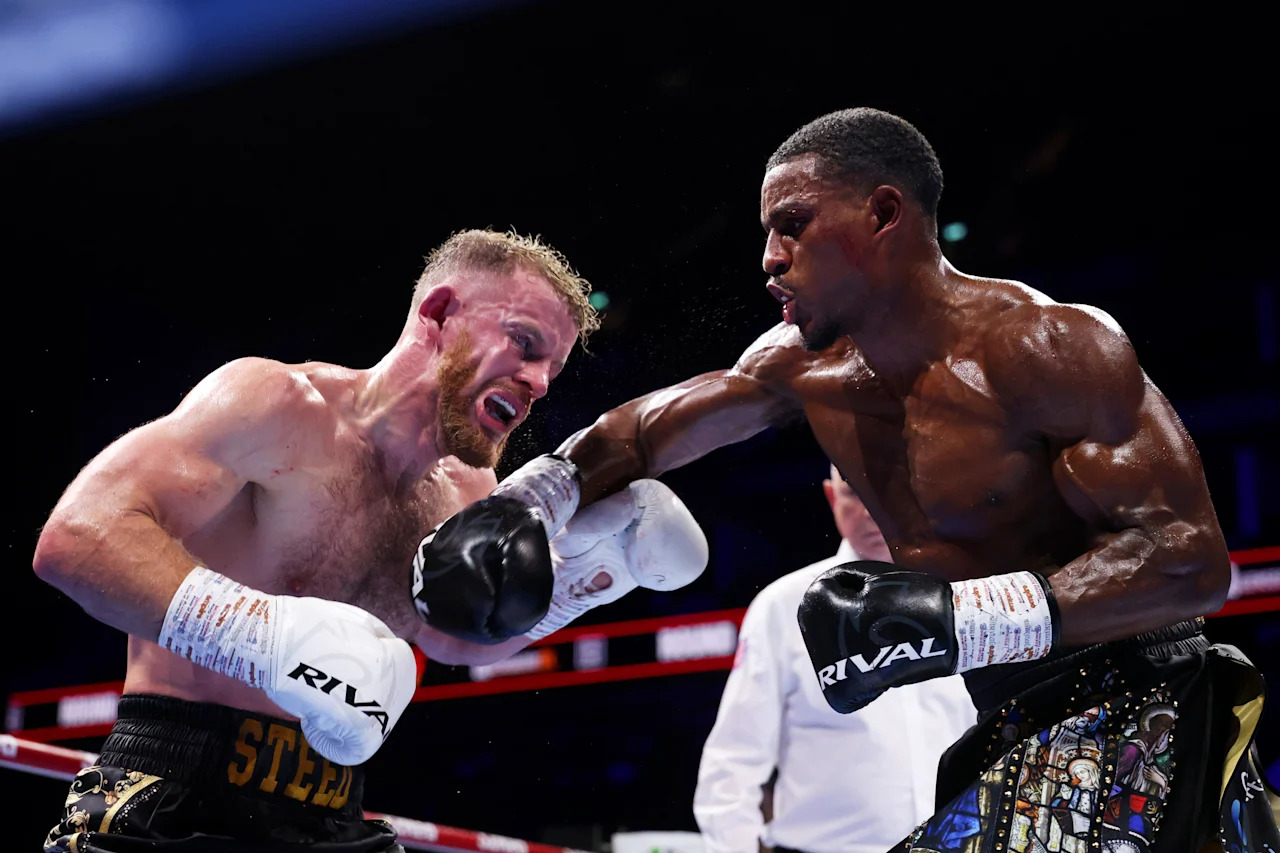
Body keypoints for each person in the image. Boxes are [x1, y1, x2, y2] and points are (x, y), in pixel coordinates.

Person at [421, 110, 1280, 851]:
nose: (768, 256)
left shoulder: (1048, 346)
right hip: (1011, 718)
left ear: (882, 213)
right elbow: (642, 431)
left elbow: (1192, 560)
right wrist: (528, 499)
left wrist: (963, 617)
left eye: (792, 224)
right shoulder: (804, 368)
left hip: (1141, 705)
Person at [30, 227, 710, 852]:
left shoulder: (470, 490)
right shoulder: (277, 405)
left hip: (330, 809)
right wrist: (260, 635)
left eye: (549, 371)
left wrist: (587, 581)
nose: (536, 382)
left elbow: (449, 638)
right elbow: (76, 539)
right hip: (173, 788)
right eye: (525, 344)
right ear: (441, 312)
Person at [693, 464, 976, 853]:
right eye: (854, 492)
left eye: (883, 490)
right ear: (831, 497)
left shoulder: (964, 597)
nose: (871, 510)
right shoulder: (783, 606)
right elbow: (732, 764)